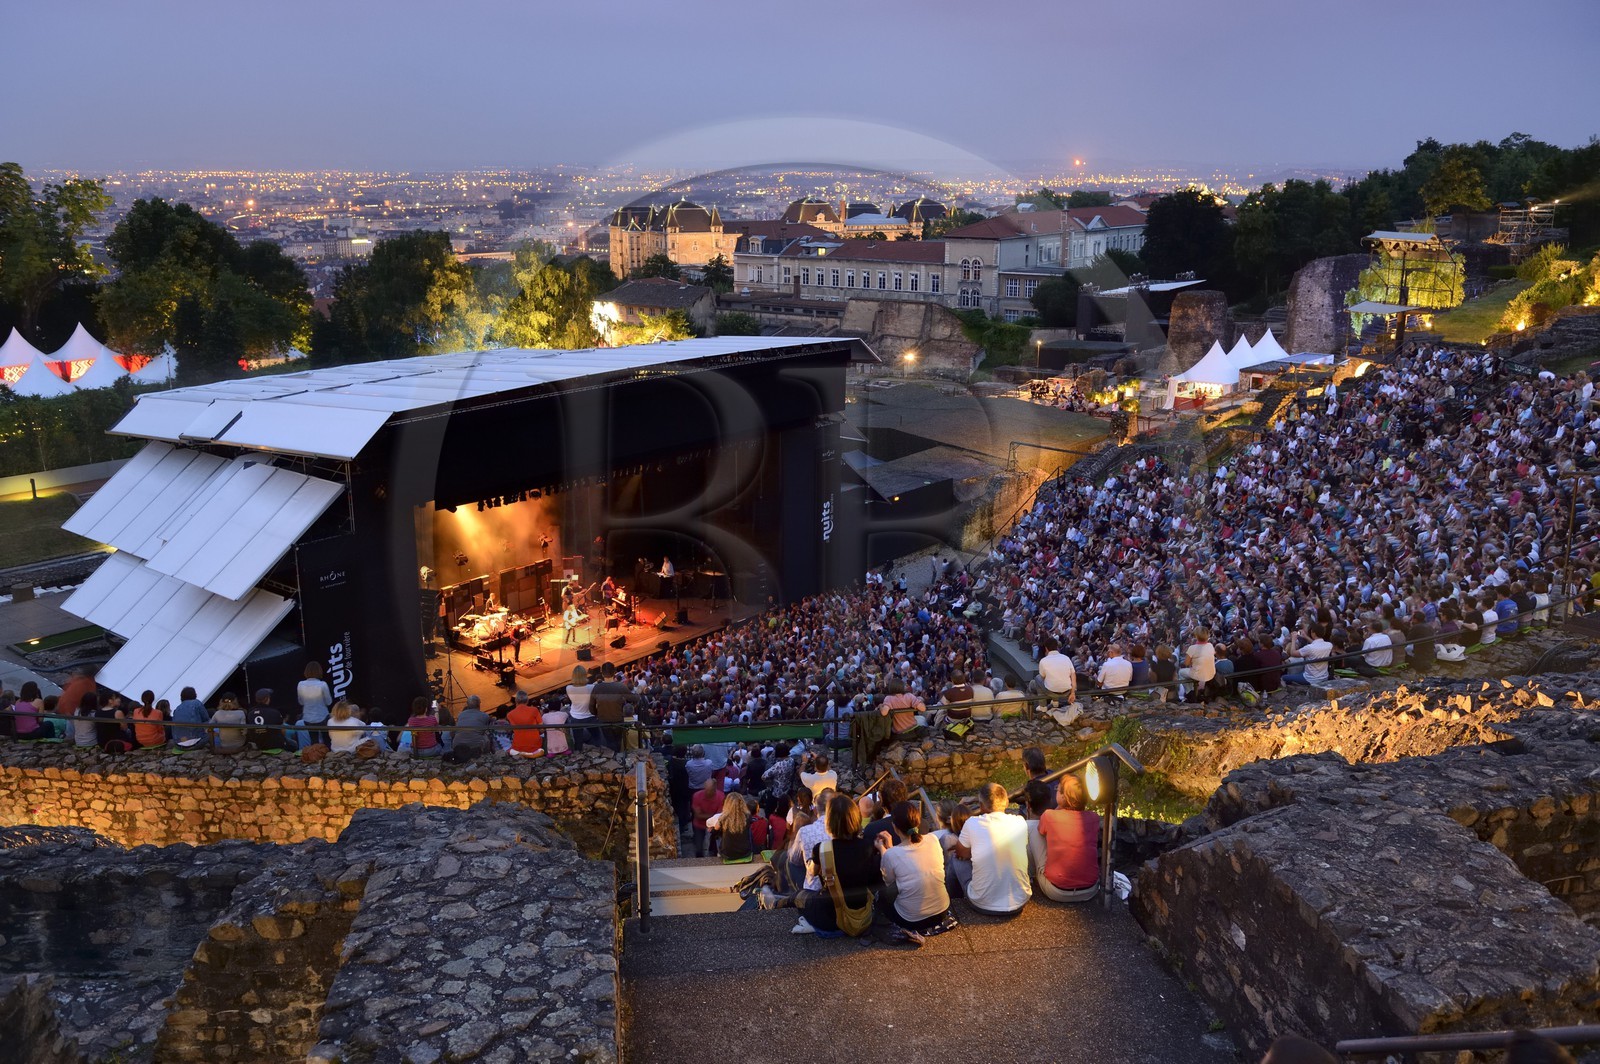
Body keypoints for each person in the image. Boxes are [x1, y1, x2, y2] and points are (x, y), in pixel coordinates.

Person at [796, 793, 882, 937]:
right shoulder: (868, 845)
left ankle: (776, 902)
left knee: (800, 896)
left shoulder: (822, 848)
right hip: (863, 912)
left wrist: (812, 860)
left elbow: (812, 872)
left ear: (830, 821)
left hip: (832, 917)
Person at [876, 801, 954, 943]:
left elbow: (889, 882)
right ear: (918, 822)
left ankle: (900, 929)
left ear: (895, 827)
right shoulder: (933, 839)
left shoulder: (891, 854)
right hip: (942, 911)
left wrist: (883, 850)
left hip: (911, 919)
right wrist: (891, 849)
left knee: (882, 896)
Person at [955, 782, 1031, 916]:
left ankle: (953, 898)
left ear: (981, 805)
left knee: (956, 860)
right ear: (1007, 802)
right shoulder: (1020, 822)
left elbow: (961, 853)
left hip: (982, 903)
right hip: (1020, 900)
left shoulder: (971, 823)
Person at [1034, 774, 1102, 902]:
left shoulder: (1049, 816)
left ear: (1063, 796)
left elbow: (1041, 832)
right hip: (1090, 890)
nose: (1056, 792)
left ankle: (1030, 876)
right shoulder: (1094, 818)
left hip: (1057, 891)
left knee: (1033, 828)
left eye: (1058, 789)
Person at [589, 661, 637, 753]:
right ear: (614, 672)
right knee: (617, 741)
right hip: (617, 719)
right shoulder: (620, 686)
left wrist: (598, 714)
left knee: (609, 742)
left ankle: (613, 756)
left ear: (602, 673)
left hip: (604, 720)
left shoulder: (597, 688)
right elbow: (634, 699)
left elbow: (591, 707)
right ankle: (618, 756)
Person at [707, 792, 753, 862]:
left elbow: (715, 830)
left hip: (727, 854)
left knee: (716, 833)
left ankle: (713, 853)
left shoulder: (723, 818)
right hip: (745, 852)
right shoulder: (747, 816)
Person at [296, 661, 334, 748]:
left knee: (314, 740)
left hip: (308, 718)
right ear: (319, 671)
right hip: (322, 717)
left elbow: (301, 702)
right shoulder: (323, 684)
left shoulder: (300, 684)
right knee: (327, 740)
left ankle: (315, 754)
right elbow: (329, 702)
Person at [1029, 637, 1076, 704]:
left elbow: (1043, 677)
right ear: (1057, 647)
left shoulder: (1043, 661)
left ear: (1046, 648)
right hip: (1067, 691)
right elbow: (1073, 677)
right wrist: (1073, 692)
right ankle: (1055, 702)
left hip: (1051, 692)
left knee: (1038, 678)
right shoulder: (1066, 658)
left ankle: (1042, 706)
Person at [447, 695, 493, 762]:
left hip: (458, 744)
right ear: (479, 704)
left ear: (468, 705)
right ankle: (488, 754)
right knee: (486, 734)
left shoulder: (460, 715)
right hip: (476, 745)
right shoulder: (485, 716)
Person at [690, 778, 724, 858]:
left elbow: (719, 816)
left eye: (710, 790)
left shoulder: (721, 796)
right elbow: (698, 815)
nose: (708, 792)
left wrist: (707, 816)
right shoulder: (697, 796)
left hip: (714, 825)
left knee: (715, 848)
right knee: (698, 849)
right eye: (706, 790)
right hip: (699, 825)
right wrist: (713, 816)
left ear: (715, 789)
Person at [506, 691, 544, 759]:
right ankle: (530, 755)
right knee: (541, 751)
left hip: (518, 746)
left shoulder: (509, 715)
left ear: (516, 701)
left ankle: (522, 754)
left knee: (511, 751)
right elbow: (542, 729)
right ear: (527, 701)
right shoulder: (534, 710)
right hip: (535, 745)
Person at [565, 666, 596, 748]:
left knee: (578, 741)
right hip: (590, 716)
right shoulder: (592, 687)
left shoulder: (568, 688)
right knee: (597, 738)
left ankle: (579, 752)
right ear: (585, 675)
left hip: (576, 717)